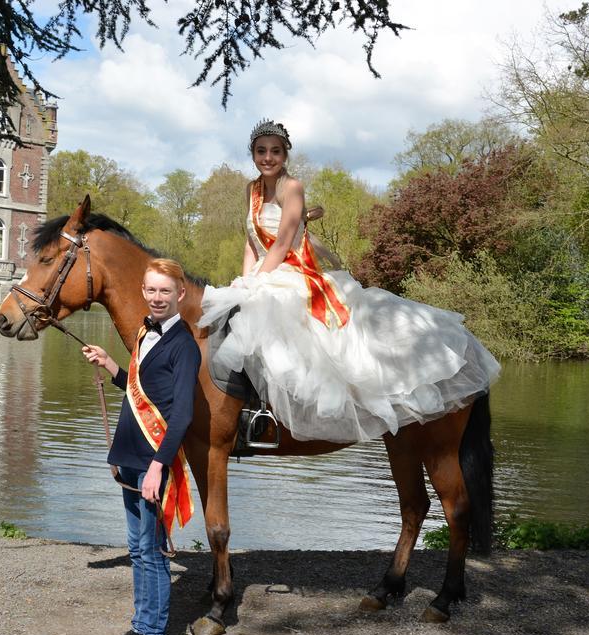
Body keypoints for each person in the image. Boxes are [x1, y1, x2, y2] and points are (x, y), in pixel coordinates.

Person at [198, 119, 501, 443]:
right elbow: (250, 242)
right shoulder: (251, 190)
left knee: (282, 321)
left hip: (291, 271)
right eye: (261, 151)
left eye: (275, 151)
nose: (267, 157)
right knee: (228, 319)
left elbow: (284, 242)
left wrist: (257, 282)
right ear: (253, 154)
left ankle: (289, 411)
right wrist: (244, 280)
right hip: (260, 271)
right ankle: (249, 410)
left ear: (285, 154)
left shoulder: (292, 188)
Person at [82, 258, 201, 635]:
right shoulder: (143, 334)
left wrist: (157, 467)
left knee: (153, 551)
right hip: (130, 455)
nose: (156, 297)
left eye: (165, 291)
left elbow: (182, 414)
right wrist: (111, 365)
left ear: (180, 294)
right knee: (136, 548)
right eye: (150, 290)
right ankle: (140, 625)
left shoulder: (184, 346)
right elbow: (139, 390)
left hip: (153, 463)